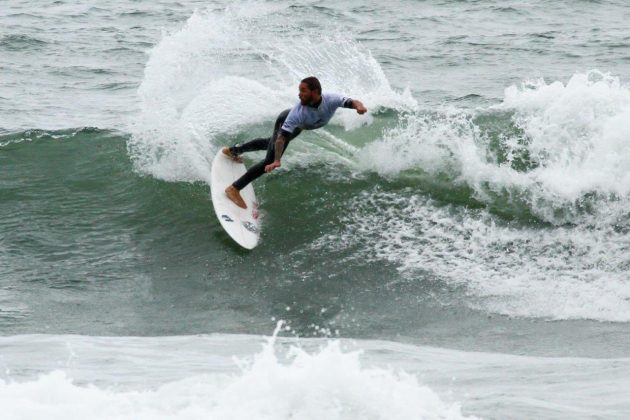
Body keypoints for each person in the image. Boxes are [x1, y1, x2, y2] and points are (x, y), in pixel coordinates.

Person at [222, 76, 367, 209]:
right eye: (299, 91)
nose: (299, 94)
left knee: (269, 143)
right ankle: (234, 188)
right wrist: (277, 161)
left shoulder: (331, 99)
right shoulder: (298, 112)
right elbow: (281, 138)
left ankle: (234, 150)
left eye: (303, 91)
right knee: (270, 158)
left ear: (315, 91)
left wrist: (359, 107)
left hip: (299, 127)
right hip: (286, 121)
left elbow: (351, 101)